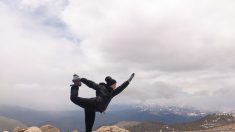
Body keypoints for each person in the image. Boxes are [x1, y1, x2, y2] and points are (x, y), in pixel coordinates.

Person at [70, 73, 135, 132]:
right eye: (115, 84)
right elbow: (91, 84)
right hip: (94, 103)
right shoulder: (101, 87)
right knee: (73, 98)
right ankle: (76, 85)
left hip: (95, 107)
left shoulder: (112, 93)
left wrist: (129, 80)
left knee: (89, 122)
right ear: (112, 84)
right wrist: (81, 79)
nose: (116, 85)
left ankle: (77, 83)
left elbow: (122, 87)